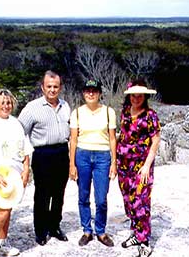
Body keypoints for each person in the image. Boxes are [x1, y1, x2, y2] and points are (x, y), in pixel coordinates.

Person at [18, 70, 71, 246]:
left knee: (59, 194)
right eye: (49, 86)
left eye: (56, 86)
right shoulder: (32, 108)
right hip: (42, 154)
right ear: (42, 87)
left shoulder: (65, 106)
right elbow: (19, 132)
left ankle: (54, 226)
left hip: (62, 152)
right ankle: (40, 231)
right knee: (42, 194)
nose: (52, 90)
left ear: (60, 87)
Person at [0, 89, 33, 256]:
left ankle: (2, 243)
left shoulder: (16, 123)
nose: (6, 106)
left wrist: (26, 170)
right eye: (2, 102)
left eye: (8, 102)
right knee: (1, 211)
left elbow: (26, 150)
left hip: (14, 175)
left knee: (8, 209)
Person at [69, 79, 117, 247]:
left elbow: (112, 139)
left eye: (94, 91)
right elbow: (73, 140)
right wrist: (72, 165)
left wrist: (114, 162)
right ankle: (87, 230)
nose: (91, 93)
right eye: (88, 90)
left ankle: (101, 231)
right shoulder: (76, 113)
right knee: (83, 196)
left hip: (103, 157)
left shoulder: (108, 112)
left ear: (99, 93)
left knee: (101, 198)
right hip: (82, 155)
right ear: (83, 93)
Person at [117, 79, 161, 257]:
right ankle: (136, 233)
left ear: (145, 97)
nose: (136, 98)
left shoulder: (150, 115)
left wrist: (146, 166)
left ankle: (144, 241)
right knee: (128, 201)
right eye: (133, 95)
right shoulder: (125, 112)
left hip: (141, 165)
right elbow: (123, 134)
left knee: (140, 201)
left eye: (140, 96)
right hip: (123, 165)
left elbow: (155, 140)